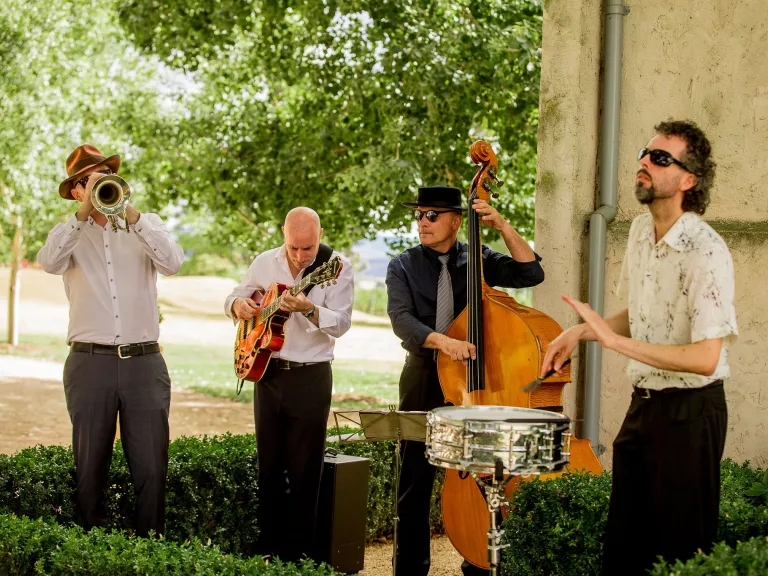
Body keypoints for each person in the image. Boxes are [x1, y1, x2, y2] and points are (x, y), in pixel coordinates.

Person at [541, 120, 737, 575]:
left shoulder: (707, 251)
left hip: (692, 414)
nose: (645, 164)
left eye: (660, 158)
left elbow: (706, 356)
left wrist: (615, 343)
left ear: (689, 180)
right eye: (644, 154)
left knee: (680, 558)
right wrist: (580, 333)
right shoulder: (638, 234)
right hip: (642, 409)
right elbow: (638, 314)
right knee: (625, 551)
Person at [386, 185, 545, 575]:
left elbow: (531, 272)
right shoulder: (402, 265)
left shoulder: (479, 259)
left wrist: (502, 225)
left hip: (474, 382)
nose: (422, 222)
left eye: (432, 215)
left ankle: (478, 563)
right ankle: (411, 570)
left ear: (457, 222)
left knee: (482, 477)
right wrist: (443, 342)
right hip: (423, 377)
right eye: (419, 215)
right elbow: (402, 319)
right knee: (414, 483)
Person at [37, 143, 184, 537]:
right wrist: (83, 216)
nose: (99, 183)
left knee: (152, 467)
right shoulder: (66, 234)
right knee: (89, 469)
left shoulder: (144, 223)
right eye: (88, 180)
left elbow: (172, 263)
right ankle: (92, 550)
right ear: (75, 190)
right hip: (89, 363)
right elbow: (48, 262)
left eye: (104, 175)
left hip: (144, 362)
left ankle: (151, 548)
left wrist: (132, 216)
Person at [224, 207, 354, 562]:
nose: (300, 256)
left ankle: (299, 554)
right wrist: (238, 305)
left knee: (304, 469)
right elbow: (236, 295)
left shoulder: (336, 267)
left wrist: (309, 309)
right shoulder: (264, 261)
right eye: (294, 247)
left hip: (310, 374)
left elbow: (341, 323)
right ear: (283, 233)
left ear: (320, 234)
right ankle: (268, 546)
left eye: (308, 248)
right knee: (269, 464)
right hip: (267, 372)